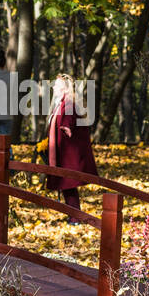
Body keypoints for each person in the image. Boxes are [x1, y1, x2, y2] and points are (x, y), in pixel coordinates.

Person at [46, 74, 97, 223]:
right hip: (64, 151)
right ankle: (73, 215)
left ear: (64, 88)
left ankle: (75, 217)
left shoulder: (69, 103)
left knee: (68, 184)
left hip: (69, 153)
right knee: (67, 185)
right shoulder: (63, 102)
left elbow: (69, 119)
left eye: (56, 85)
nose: (54, 87)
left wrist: (66, 127)